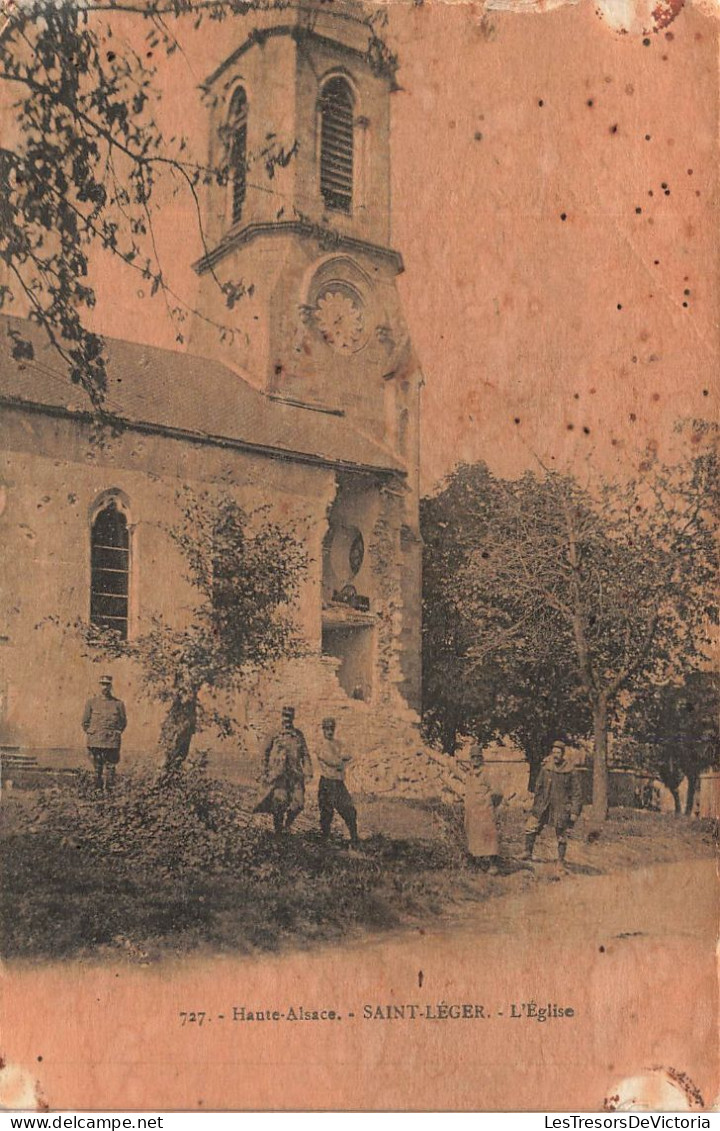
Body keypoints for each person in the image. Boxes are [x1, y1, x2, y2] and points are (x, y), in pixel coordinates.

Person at [254, 706, 313, 837]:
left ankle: (288, 825)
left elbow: (305, 754)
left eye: (289, 717)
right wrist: (264, 771)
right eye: (285, 716)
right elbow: (264, 753)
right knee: (279, 803)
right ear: (282, 716)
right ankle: (279, 832)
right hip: (279, 775)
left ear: (293, 718)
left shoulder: (298, 735)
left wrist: (308, 772)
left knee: (299, 804)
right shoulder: (274, 733)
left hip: (295, 775)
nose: (287, 719)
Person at [523, 741, 583, 865]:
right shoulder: (546, 768)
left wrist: (574, 812)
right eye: (554, 752)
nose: (556, 755)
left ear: (563, 754)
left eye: (558, 752)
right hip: (544, 805)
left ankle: (560, 860)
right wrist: (536, 806)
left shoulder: (570, 770)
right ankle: (527, 852)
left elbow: (577, 793)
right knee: (531, 826)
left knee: (561, 834)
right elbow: (538, 787)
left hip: (561, 807)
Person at [317, 717, 359, 848]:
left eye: (331, 729)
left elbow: (350, 755)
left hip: (339, 783)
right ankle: (325, 840)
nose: (329, 732)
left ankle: (354, 838)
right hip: (327, 783)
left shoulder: (338, 743)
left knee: (349, 810)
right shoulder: (320, 745)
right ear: (323, 729)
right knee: (326, 813)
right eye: (327, 729)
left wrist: (340, 760)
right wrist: (342, 761)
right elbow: (332, 761)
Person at [82, 674, 127, 793]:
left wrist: (115, 733)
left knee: (111, 768)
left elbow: (123, 722)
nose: (104, 687)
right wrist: (93, 733)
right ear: (99, 685)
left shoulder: (118, 704)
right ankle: (97, 792)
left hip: (111, 742)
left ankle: (109, 793)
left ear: (111, 686)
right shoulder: (91, 702)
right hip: (96, 741)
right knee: (97, 768)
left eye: (107, 684)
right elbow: (85, 722)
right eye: (102, 684)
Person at [464, 746, 501, 873]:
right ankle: (477, 863)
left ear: (482, 758)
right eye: (473, 757)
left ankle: (493, 864)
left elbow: (497, 792)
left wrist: (489, 803)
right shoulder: (469, 774)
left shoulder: (487, 772)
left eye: (478, 757)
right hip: (472, 811)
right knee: (474, 836)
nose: (475, 760)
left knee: (490, 835)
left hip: (485, 810)